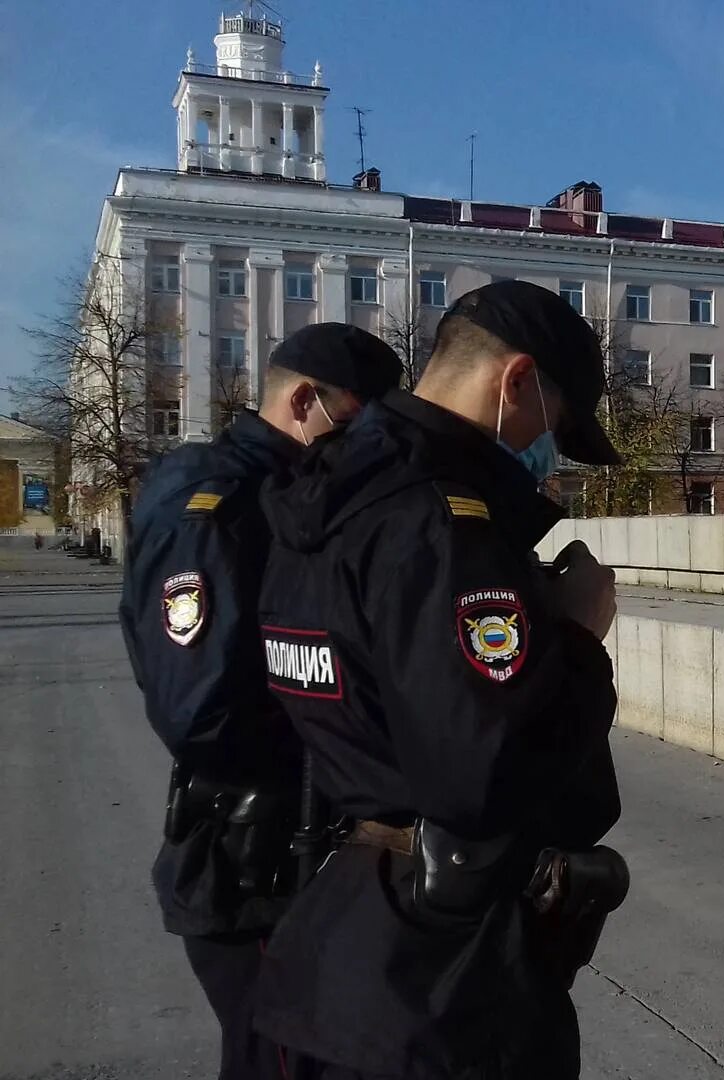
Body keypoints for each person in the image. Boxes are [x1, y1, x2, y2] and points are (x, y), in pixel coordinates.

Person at [252, 281, 628, 1080]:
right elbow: (485, 774)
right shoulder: (441, 519)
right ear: (515, 381)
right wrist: (577, 635)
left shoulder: (327, 492)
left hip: (350, 943)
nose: (548, 449)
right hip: (445, 991)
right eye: (554, 425)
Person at [117, 323, 403, 1080]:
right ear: (306, 401)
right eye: (360, 422)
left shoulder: (287, 493)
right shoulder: (219, 502)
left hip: (287, 859)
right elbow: (199, 709)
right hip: (252, 866)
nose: (362, 443)